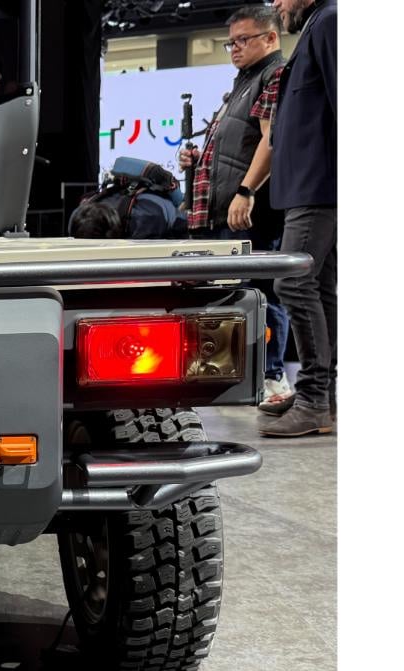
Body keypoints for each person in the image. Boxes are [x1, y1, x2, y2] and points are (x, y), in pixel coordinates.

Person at [179, 6, 290, 407]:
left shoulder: (274, 75)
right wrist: (196, 161)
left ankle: (273, 376)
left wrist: (246, 190)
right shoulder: (242, 83)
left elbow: (271, 141)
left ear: (270, 38)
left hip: (247, 210)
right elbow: (233, 145)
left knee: (263, 293)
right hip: (222, 209)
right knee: (233, 296)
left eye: (243, 40)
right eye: (230, 43)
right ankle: (236, 376)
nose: (235, 48)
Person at [258, 0, 337, 437]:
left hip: (319, 187)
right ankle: (322, 398)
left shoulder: (330, 21)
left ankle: (313, 399)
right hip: (311, 186)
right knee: (318, 287)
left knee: (293, 283)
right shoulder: (318, 24)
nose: (276, 4)